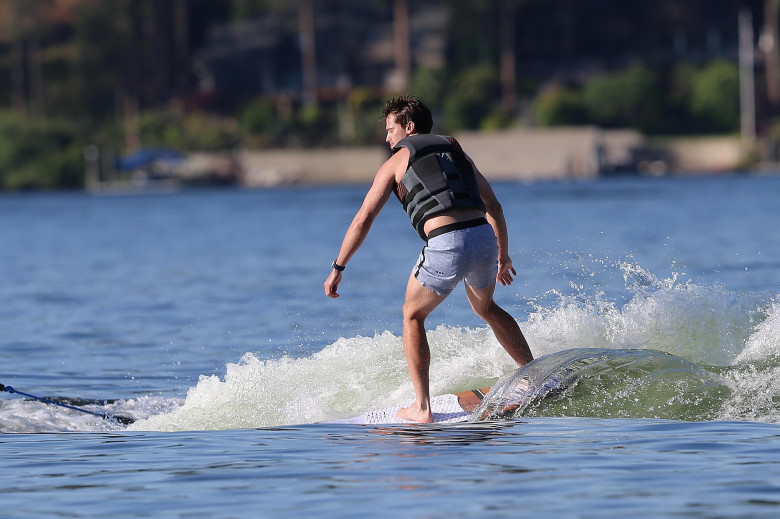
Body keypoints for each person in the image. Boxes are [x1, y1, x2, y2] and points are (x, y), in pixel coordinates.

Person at [324, 96, 533, 423]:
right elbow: (495, 207)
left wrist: (338, 266)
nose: (387, 138)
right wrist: (503, 256)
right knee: (486, 307)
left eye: (390, 129)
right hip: (482, 238)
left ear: (409, 127)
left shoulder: (396, 162)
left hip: (448, 242)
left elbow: (363, 218)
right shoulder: (457, 152)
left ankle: (422, 408)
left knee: (412, 316)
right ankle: (531, 374)